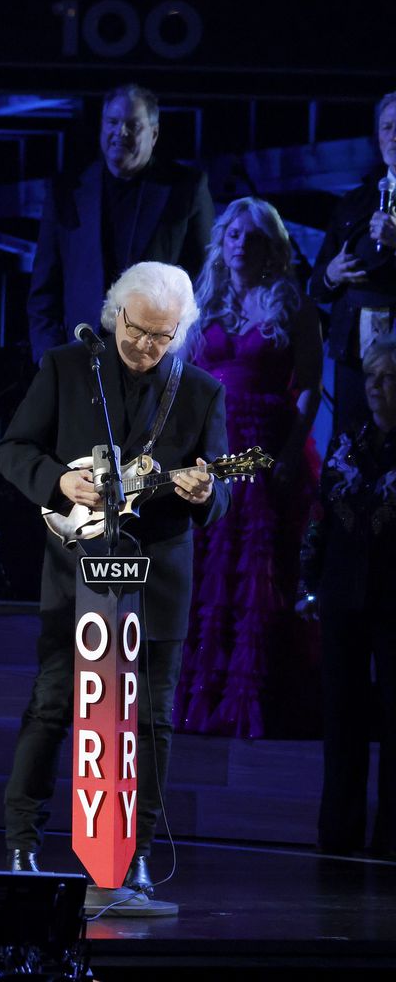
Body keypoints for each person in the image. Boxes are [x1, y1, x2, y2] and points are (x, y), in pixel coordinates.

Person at [0, 261, 228, 901]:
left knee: (150, 720)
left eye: (162, 337)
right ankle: (21, 845)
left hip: (157, 578)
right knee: (52, 705)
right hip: (77, 570)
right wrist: (58, 481)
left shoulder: (202, 391)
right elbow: (13, 449)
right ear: (113, 313)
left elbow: (217, 502)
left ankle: (138, 857)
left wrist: (204, 490)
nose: (146, 347)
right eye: (137, 330)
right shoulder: (69, 367)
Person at [180, 198, 323, 740]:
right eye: (234, 235)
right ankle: (201, 704)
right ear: (223, 242)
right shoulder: (202, 302)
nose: (241, 244)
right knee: (208, 577)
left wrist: (290, 453)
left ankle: (256, 705)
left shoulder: (294, 306)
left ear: (271, 247)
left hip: (264, 450)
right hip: (212, 452)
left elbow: (309, 387)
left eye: (254, 237)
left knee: (258, 578)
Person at [28, 83, 217, 362]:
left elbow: (206, 282)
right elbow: (44, 290)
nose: (120, 133)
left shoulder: (186, 188)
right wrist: (50, 359)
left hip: (157, 363)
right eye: (113, 123)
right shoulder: (66, 191)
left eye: (132, 125)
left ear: (153, 134)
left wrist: (182, 358)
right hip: (81, 363)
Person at [303, 333, 396, 858]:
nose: (377, 386)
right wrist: (309, 584)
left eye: (389, 377)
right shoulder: (348, 438)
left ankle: (391, 842)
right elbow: (320, 518)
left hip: (392, 598)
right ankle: (338, 837)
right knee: (341, 720)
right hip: (342, 596)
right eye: (372, 376)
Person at [311, 90, 396, 438]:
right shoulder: (356, 201)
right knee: (350, 443)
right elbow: (317, 285)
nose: (394, 136)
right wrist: (332, 274)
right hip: (353, 356)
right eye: (387, 127)